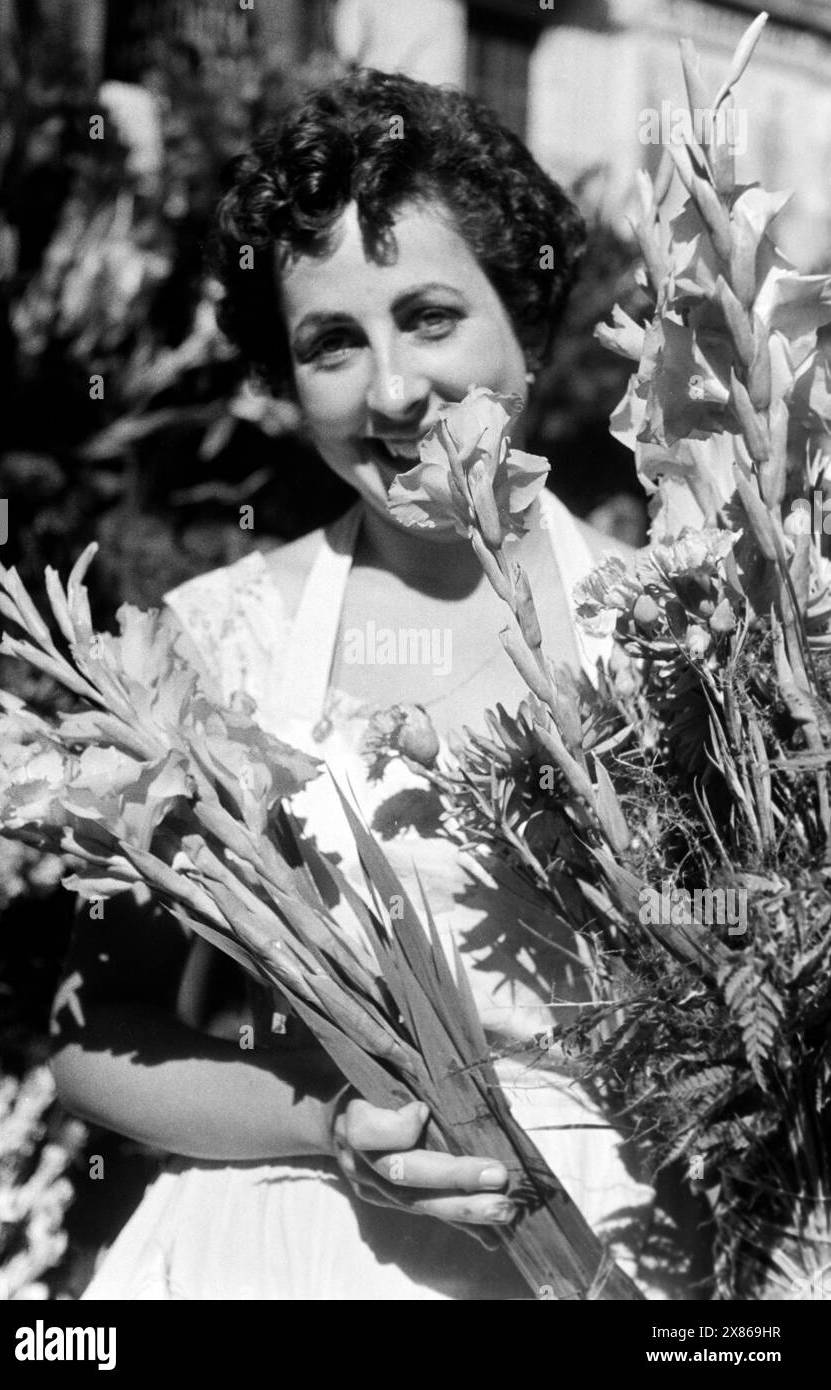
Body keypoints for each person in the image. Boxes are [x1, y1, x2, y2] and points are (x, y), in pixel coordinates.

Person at [50, 70, 695, 1300]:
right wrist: (333, 1128)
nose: (391, 390)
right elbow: (94, 1040)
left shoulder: (679, 620)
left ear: (527, 321)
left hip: (638, 1257)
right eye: (332, 343)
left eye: (431, 316)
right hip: (299, 1254)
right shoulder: (212, 639)